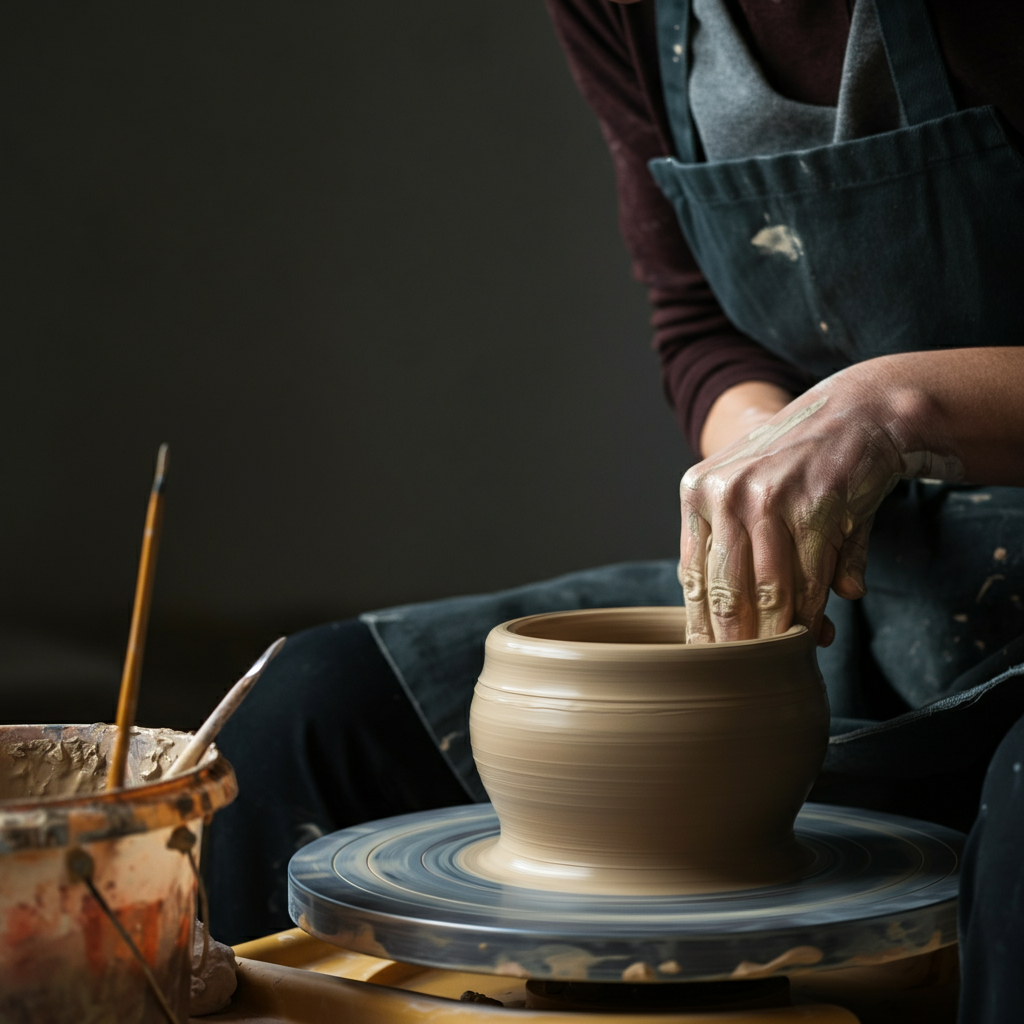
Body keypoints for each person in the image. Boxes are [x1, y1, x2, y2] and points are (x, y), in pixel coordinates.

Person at [209, 1, 1024, 1018]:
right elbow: (695, 319)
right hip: (864, 589)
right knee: (305, 709)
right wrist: (773, 471)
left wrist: (890, 406)